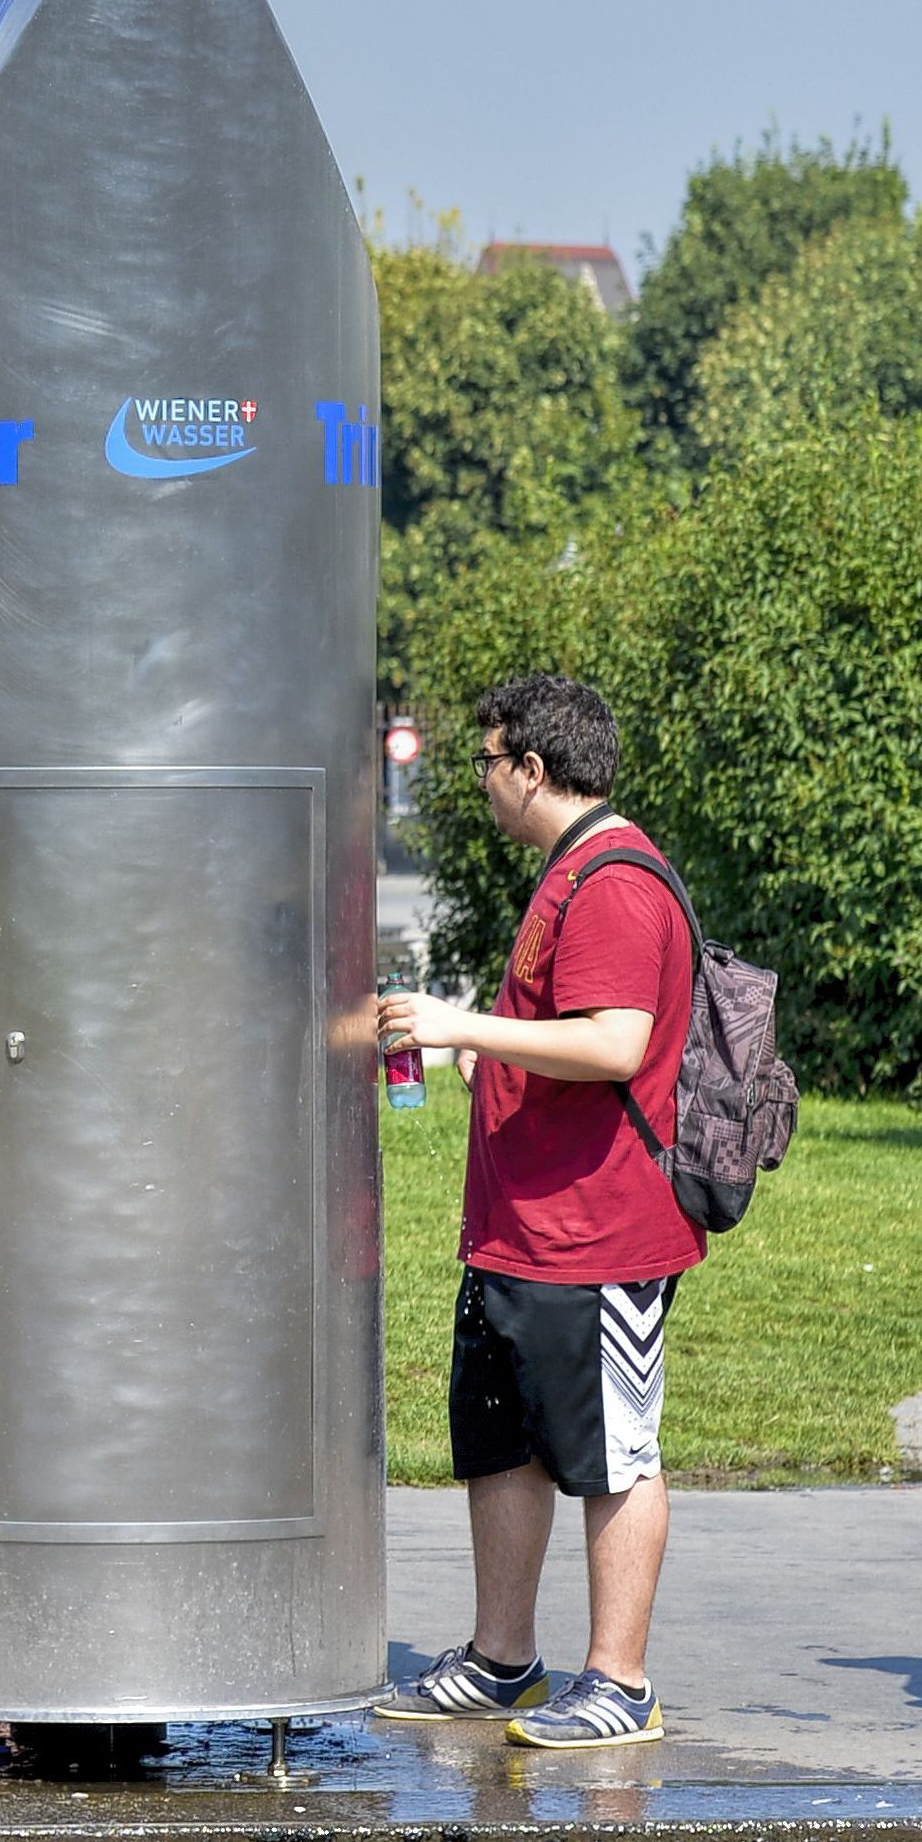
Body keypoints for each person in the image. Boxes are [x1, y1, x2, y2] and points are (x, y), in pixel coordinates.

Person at [374, 674, 702, 1750]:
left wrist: (458, 1018)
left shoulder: (612, 879)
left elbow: (614, 1038)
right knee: (503, 1445)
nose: (477, 779)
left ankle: (619, 1680)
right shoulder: (567, 873)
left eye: (484, 760)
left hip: (595, 1233)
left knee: (609, 1450)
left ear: (530, 766)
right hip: (521, 1231)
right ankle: (500, 1658)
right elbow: (563, 1032)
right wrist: (487, 1048)